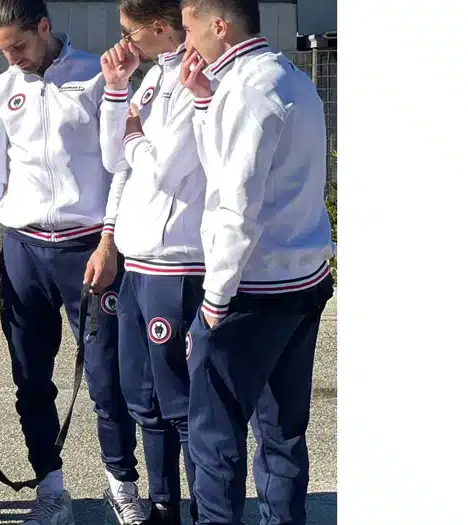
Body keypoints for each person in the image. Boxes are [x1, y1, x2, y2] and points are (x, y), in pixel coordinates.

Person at [0, 1, 137, 523]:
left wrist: (110, 240)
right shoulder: (1, 90)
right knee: (31, 378)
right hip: (22, 249)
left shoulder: (95, 74)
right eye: (2, 50)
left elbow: (122, 163)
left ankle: (121, 485)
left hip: (89, 247)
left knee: (107, 378)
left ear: (45, 27)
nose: (12, 58)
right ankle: (51, 488)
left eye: (19, 45)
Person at [178, 1, 336, 524]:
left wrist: (214, 303)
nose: (186, 41)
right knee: (282, 433)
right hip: (302, 278)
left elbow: (234, 208)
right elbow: (225, 169)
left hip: (253, 290)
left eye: (189, 27)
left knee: (215, 435)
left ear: (218, 25)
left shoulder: (248, 93)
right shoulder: (287, 77)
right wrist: (202, 101)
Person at [97, 0, 208, 523]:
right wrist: (117, 91)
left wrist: (136, 136)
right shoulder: (149, 78)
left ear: (158, 29)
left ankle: (203, 508)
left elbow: (162, 168)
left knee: (182, 404)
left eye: (128, 32)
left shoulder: (192, 80)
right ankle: (163, 504)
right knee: (143, 399)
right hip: (138, 263)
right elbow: (111, 158)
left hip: (177, 264)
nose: (123, 41)